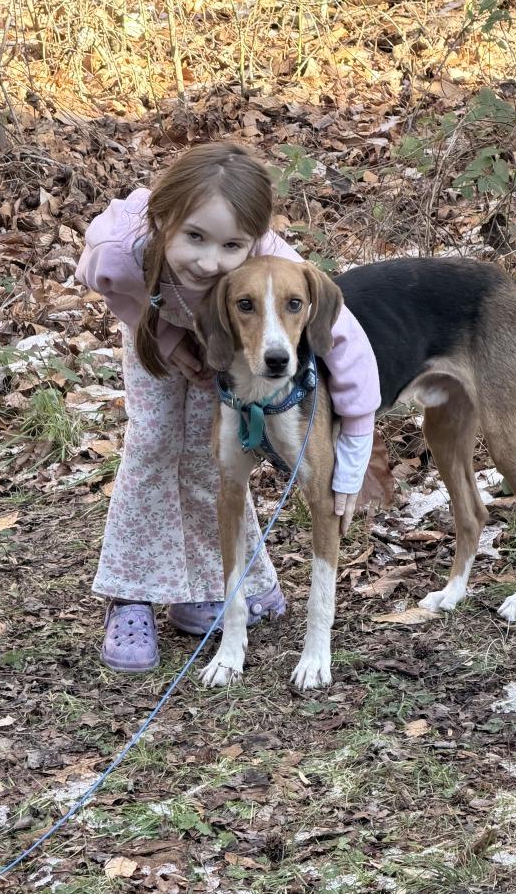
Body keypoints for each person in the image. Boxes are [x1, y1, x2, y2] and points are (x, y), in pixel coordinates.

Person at [74, 142, 380, 672]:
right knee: (152, 447)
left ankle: (206, 589)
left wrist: (356, 435)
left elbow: (347, 347)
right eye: (194, 237)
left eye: (231, 245)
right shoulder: (121, 252)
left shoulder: (275, 264)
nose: (210, 261)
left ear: (254, 241)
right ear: (162, 220)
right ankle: (130, 593)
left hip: (228, 346)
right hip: (156, 335)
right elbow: (117, 292)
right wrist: (167, 340)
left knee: (206, 460)